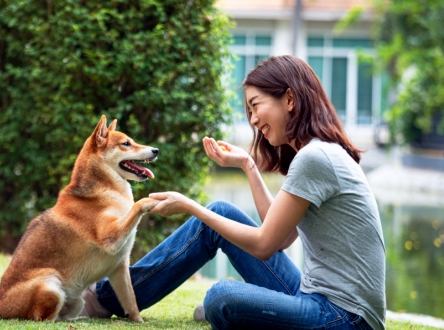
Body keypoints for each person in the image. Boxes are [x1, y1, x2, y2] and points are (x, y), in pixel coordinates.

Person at [80, 55, 386, 330]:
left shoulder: (315, 157)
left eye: (255, 106)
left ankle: (227, 312)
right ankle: (105, 298)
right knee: (221, 213)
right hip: (316, 298)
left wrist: (189, 206)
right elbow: (283, 237)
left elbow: (266, 245)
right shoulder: (316, 154)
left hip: (346, 318)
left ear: (289, 98)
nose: (252, 120)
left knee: (221, 296)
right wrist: (248, 165)